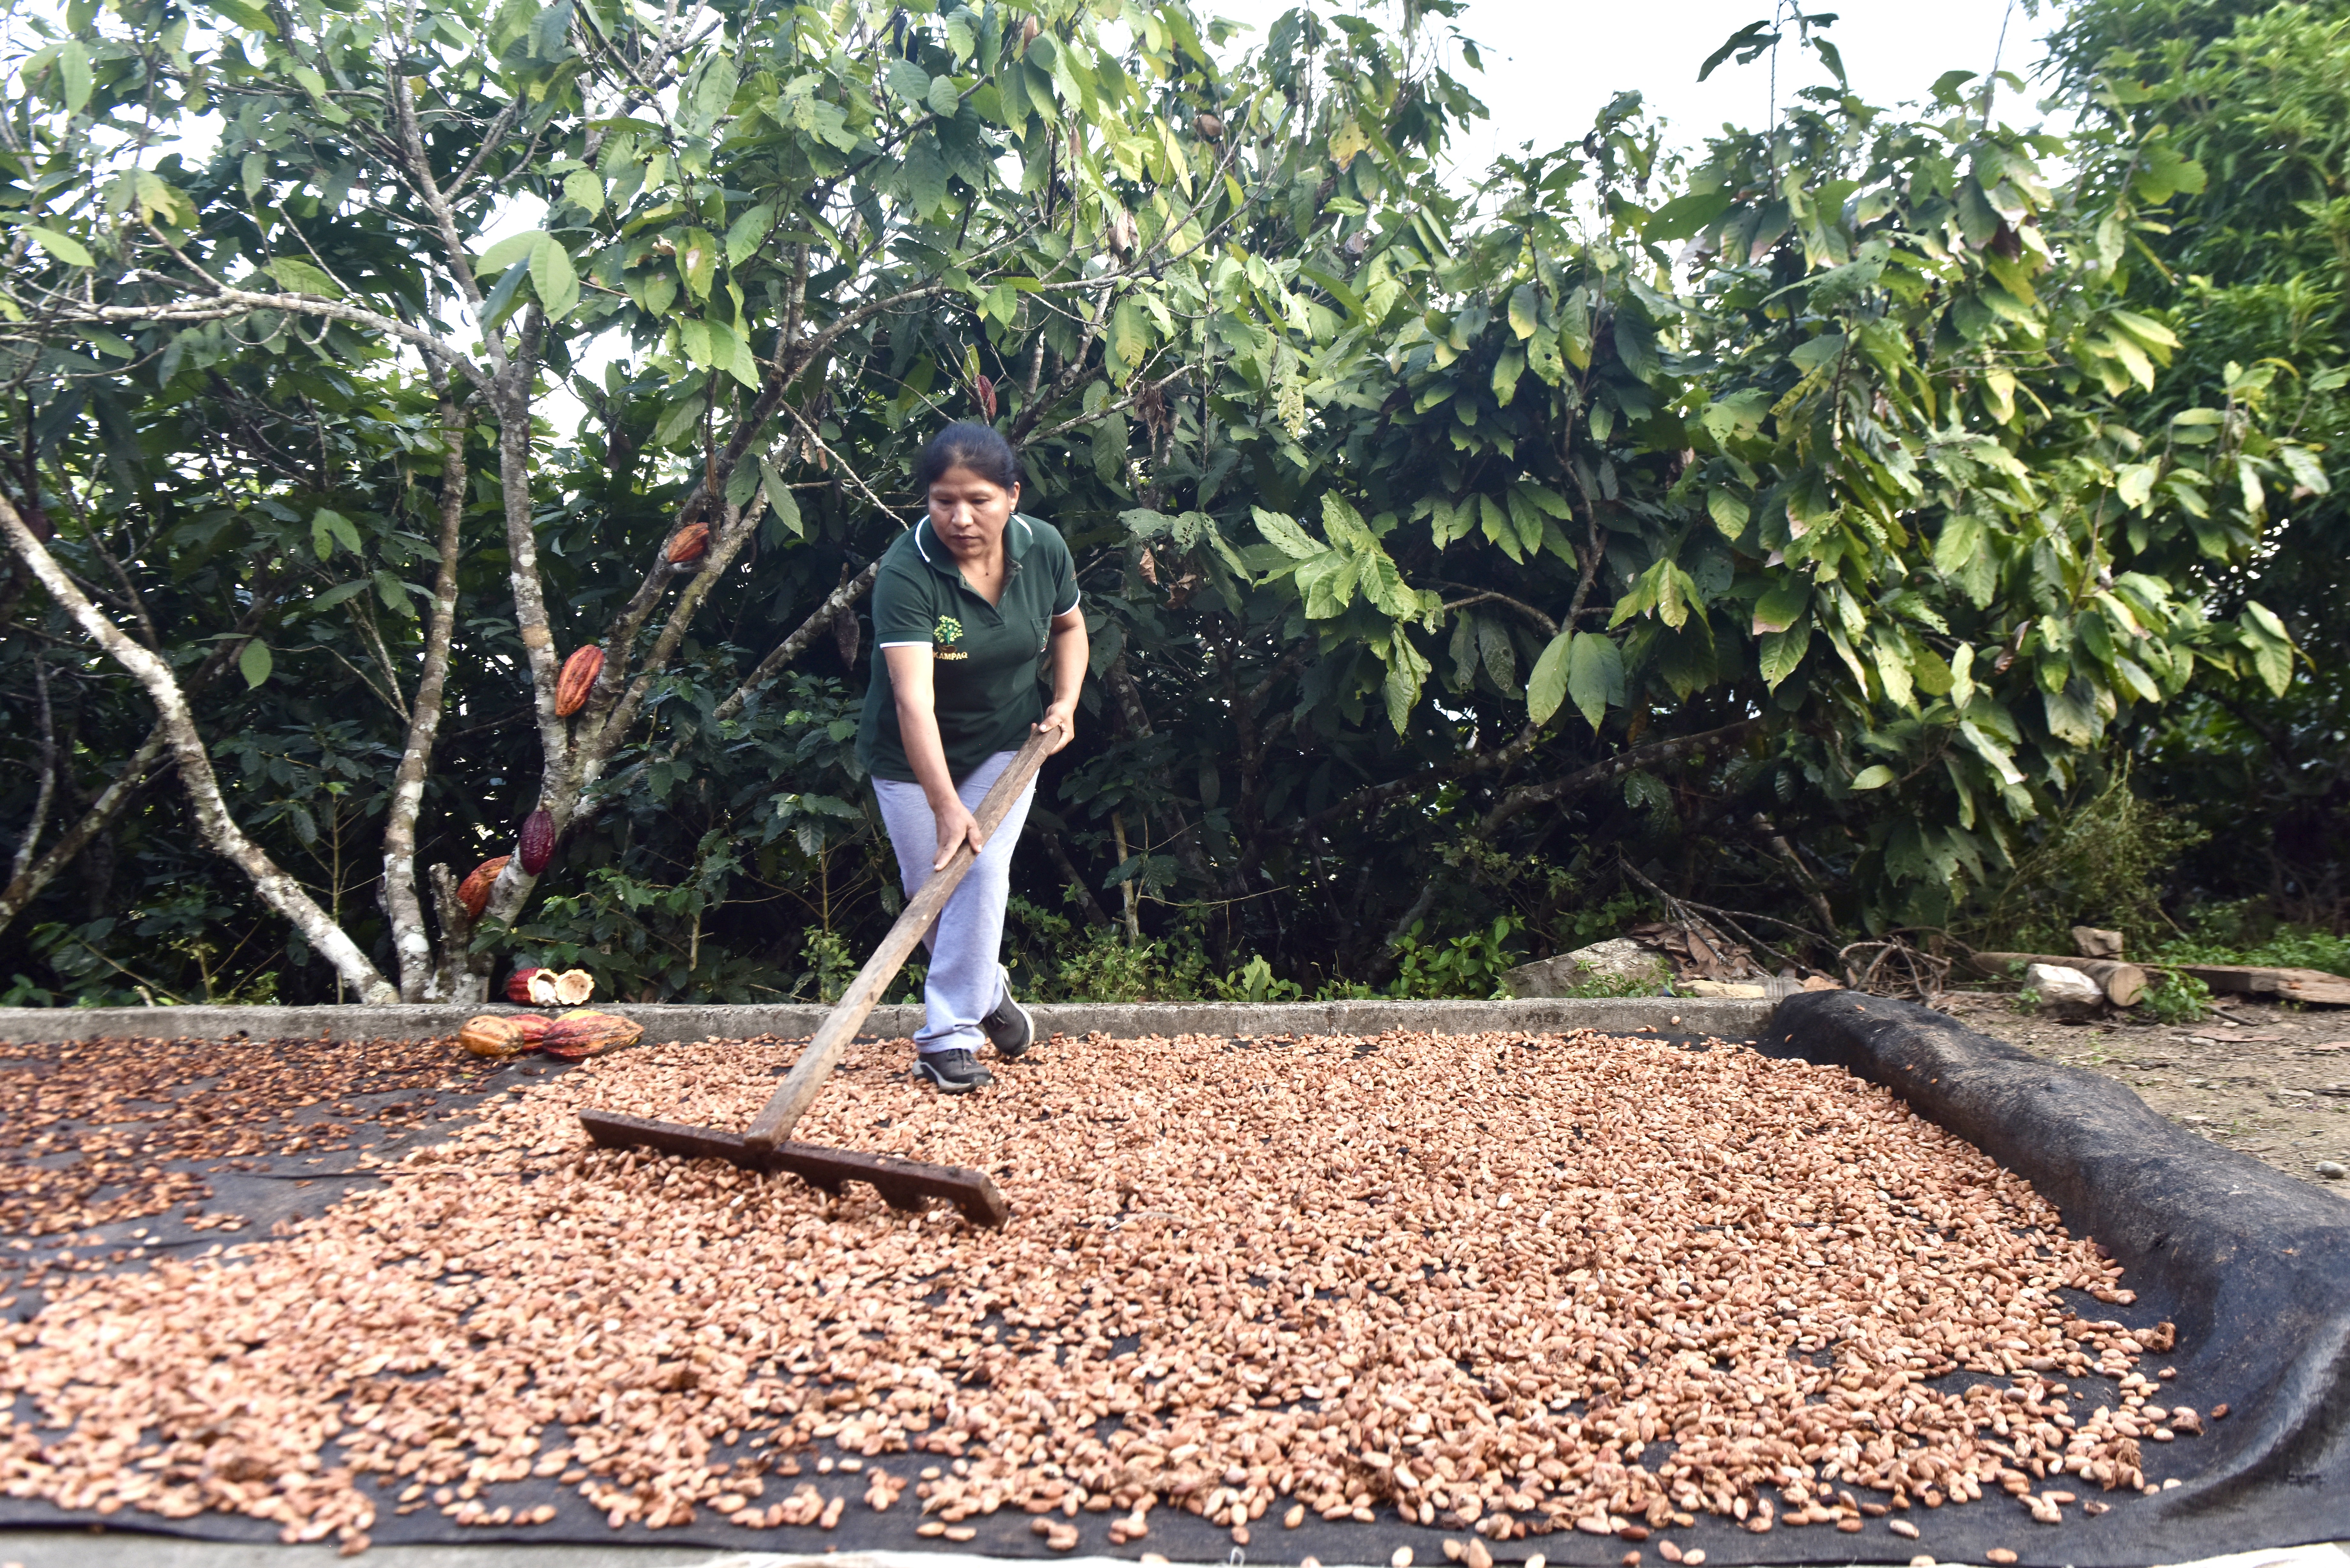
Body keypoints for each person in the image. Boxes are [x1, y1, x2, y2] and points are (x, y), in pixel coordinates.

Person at [856, 421, 1086, 1092]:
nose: (960, 518)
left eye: (979, 499)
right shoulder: (907, 572)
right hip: (908, 753)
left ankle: (947, 1035)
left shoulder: (1042, 547)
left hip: (1007, 740)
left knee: (977, 873)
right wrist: (943, 802)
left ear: (1011, 495)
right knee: (929, 888)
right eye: (942, 500)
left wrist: (1065, 701)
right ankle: (986, 989)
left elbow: (1069, 627)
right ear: (926, 501)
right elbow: (912, 703)